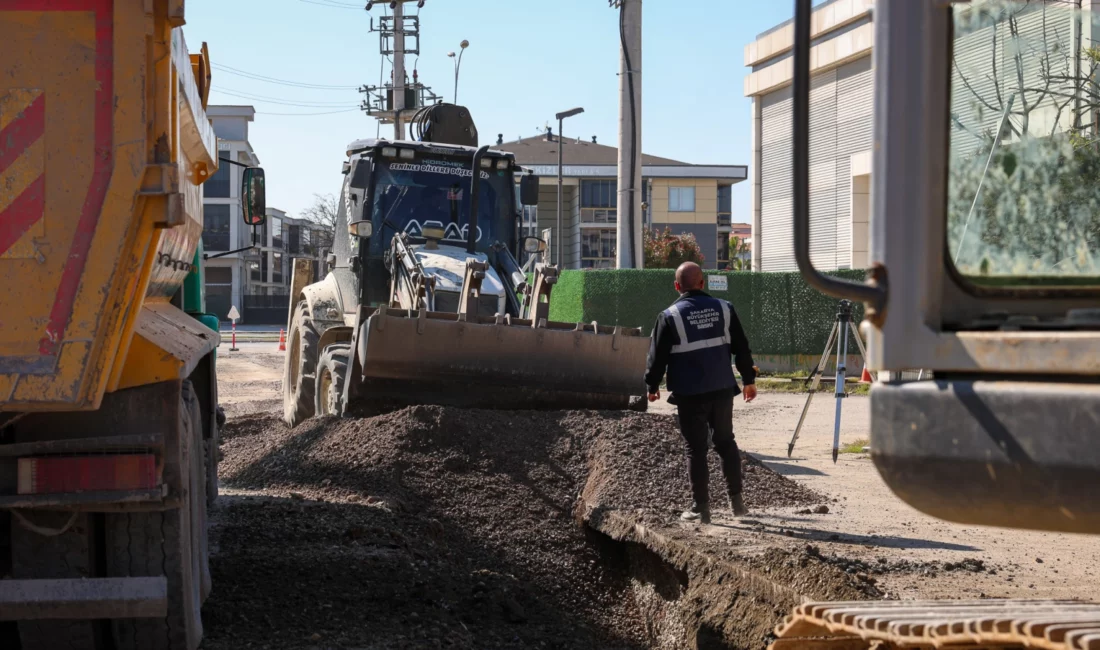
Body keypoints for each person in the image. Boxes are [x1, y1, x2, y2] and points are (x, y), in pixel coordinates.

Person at [644, 261, 758, 524]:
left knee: (696, 449)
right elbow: (741, 347)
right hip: (721, 388)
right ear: (702, 283)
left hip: (689, 393)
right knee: (725, 442)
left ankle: (701, 508)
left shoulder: (669, 316)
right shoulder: (725, 308)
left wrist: (652, 386)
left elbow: (657, 357)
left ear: (677, 286)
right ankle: (737, 504)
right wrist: (748, 380)